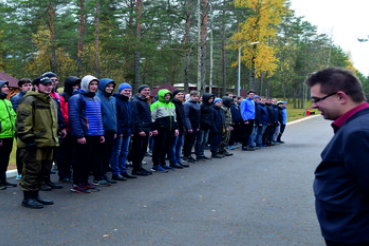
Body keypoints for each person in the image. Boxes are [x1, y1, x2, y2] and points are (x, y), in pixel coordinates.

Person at [305, 67, 369, 245]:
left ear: (341, 97)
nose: (314, 106)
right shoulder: (358, 125)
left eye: (317, 100)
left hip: (354, 234)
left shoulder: (359, 132)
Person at [16, 76, 60, 208]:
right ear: (36, 86)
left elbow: (52, 122)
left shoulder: (50, 100)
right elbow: (23, 120)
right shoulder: (29, 100)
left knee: (43, 170)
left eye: (50, 84)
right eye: (45, 84)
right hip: (34, 143)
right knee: (31, 170)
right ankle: (27, 197)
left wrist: (56, 136)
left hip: (47, 142)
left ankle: (35, 195)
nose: (49, 86)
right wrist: (28, 138)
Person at [68, 75, 105, 193]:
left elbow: (99, 117)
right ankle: (77, 183)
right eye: (91, 84)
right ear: (85, 85)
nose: (94, 87)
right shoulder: (77, 98)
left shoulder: (97, 99)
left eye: (95, 84)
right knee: (80, 160)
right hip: (84, 135)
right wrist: (79, 135)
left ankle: (84, 182)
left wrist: (101, 133)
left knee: (90, 159)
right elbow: (74, 117)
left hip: (95, 134)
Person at [41, 72, 66, 190]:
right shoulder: (40, 97)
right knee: (42, 158)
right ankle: (41, 181)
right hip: (44, 132)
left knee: (51, 157)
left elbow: (58, 112)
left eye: (55, 80)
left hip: (55, 130)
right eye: (51, 80)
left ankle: (47, 180)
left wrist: (62, 126)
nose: (53, 83)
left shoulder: (56, 95)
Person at [111, 83, 137, 180]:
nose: (127, 92)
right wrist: (118, 131)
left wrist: (132, 130)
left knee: (124, 152)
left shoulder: (128, 102)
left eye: (129, 91)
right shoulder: (116, 100)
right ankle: (115, 172)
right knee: (116, 152)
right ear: (120, 90)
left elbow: (131, 117)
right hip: (120, 131)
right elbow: (115, 117)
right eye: (125, 90)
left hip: (127, 131)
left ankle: (123, 170)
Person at [94, 78, 118, 185]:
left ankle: (104, 174)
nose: (110, 88)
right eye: (108, 86)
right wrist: (101, 132)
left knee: (108, 154)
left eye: (112, 86)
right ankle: (98, 176)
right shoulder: (97, 98)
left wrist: (115, 130)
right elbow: (97, 116)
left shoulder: (112, 99)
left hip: (111, 130)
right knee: (100, 155)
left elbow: (114, 115)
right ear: (102, 86)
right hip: (102, 131)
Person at [58, 76, 81, 183]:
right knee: (64, 153)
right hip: (66, 129)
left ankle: (69, 172)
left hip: (75, 129)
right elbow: (62, 113)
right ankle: (63, 174)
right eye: (74, 85)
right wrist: (73, 121)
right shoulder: (63, 97)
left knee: (73, 153)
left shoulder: (78, 96)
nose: (76, 87)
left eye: (78, 85)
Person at [150, 89, 179, 173]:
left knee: (165, 147)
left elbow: (175, 117)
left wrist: (176, 128)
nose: (167, 97)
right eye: (165, 95)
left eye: (169, 95)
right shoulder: (156, 104)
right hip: (160, 129)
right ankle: (156, 165)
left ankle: (163, 163)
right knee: (158, 147)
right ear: (161, 96)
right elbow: (152, 117)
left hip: (169, 129)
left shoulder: (172, 105)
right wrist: (154, 128)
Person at [129, 85, 154, 176]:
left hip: (146, 128)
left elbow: (147, 116)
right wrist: (139, 129)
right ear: (139, 92)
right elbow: (136, 116)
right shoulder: (136, 101)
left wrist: (149, 129)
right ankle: (136, 168)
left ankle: (139, 167)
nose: (147, 92)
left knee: (143, 149)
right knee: (137, 149)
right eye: (144, 90)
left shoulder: (145, 101)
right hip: (140, 129)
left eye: (148, 90)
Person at [10, 78, 32, 180]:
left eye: (29, 85)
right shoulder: (16, 98)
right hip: (21, 129)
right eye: (26, 85)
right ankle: (20, 172)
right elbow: (16, 114)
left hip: (32, 128)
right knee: (21, 150)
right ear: (20, 87)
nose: (28, 87)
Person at [0, 81, 17, 190]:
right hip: (1, 136)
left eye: (7, 87)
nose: (7, 89)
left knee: (5, 159)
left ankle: (3, 180)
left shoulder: (7, 102)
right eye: (4, 87)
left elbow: (13, 117)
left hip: (10, 134)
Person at [168, 89, 189, 168]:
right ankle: (173, 161)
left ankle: (178, 160)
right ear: (174, 95)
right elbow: (173, 117)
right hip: (175, 128)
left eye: (181, 94)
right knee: (173, 145)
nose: (180, 96)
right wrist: (175, 127)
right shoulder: (172, 104)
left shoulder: (181, 104)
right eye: (178, 94)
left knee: (179, 145)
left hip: (181, 128)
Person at [183, 91, 201, 163]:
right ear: (190, 96)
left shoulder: (198, 104)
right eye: (194, 96)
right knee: (188, 141)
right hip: (190, 125)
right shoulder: (187, 104)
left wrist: (198, 126)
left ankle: (189, 154)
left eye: (197, 96)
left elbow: (199, 116)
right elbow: (185, 116)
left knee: (192, 141)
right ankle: (186, 155)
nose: (196, 97)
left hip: (195, 125)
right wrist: (189, 127)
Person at [195, 93, 214, 161]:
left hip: (207, 125)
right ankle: (198, 154)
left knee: (204, 141)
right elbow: (198, 116)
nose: (211, 100)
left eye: (212, 99)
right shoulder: (201, 106)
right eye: (210, 98)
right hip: (202, 125)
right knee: (200, 141)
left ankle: (202, 153)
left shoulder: (210, 106)